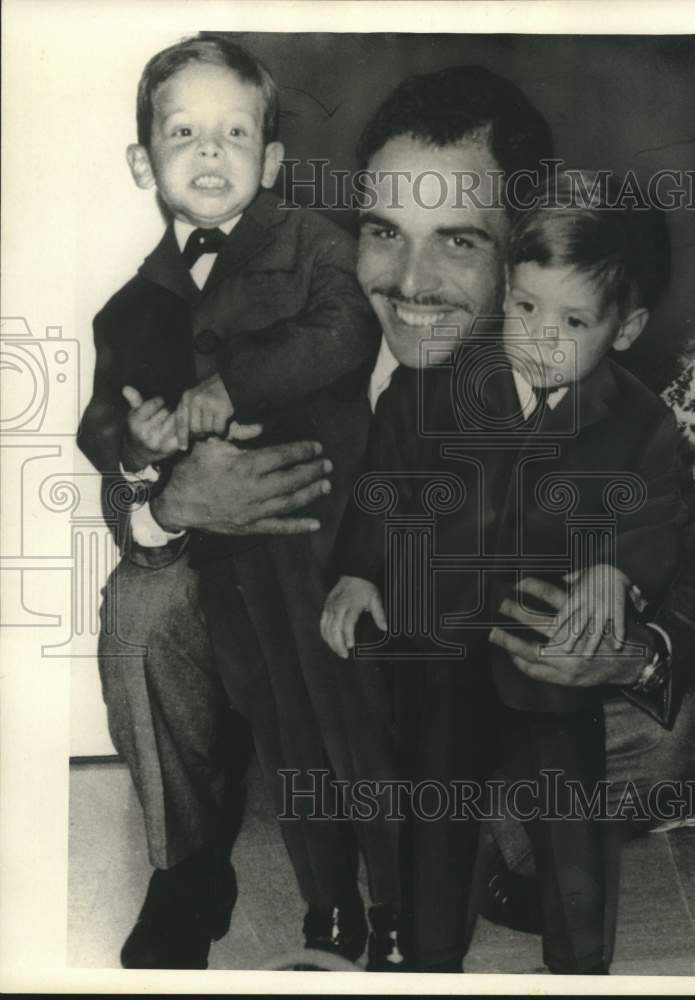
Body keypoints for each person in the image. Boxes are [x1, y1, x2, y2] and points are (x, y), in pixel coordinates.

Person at [322, 72, 695, 974]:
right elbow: (378, 495)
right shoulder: (367, 382)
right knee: (432, 806)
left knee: (657, 752)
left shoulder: (628, 414)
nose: (412, 280)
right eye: (384, 231)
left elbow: (667, 545)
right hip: (413, 685)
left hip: (536, 681)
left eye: (458, 239)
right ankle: (412, 922)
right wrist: (356, 569)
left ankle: (552, 924)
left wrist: (627, 627)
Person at [77, 34, 379, 969]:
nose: (210, 150)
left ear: (272, 159)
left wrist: (232, 386)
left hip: (321, 539)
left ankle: (353, 897)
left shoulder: (315, 245)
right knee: (264, 705)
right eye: (183, 133)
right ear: (143, 163)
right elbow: (100, 426)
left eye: (235, 132)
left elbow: (348, 328)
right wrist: (139, 445)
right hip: (216, 565)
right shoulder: (128, 310)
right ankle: (196, 873)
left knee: (321, 720)